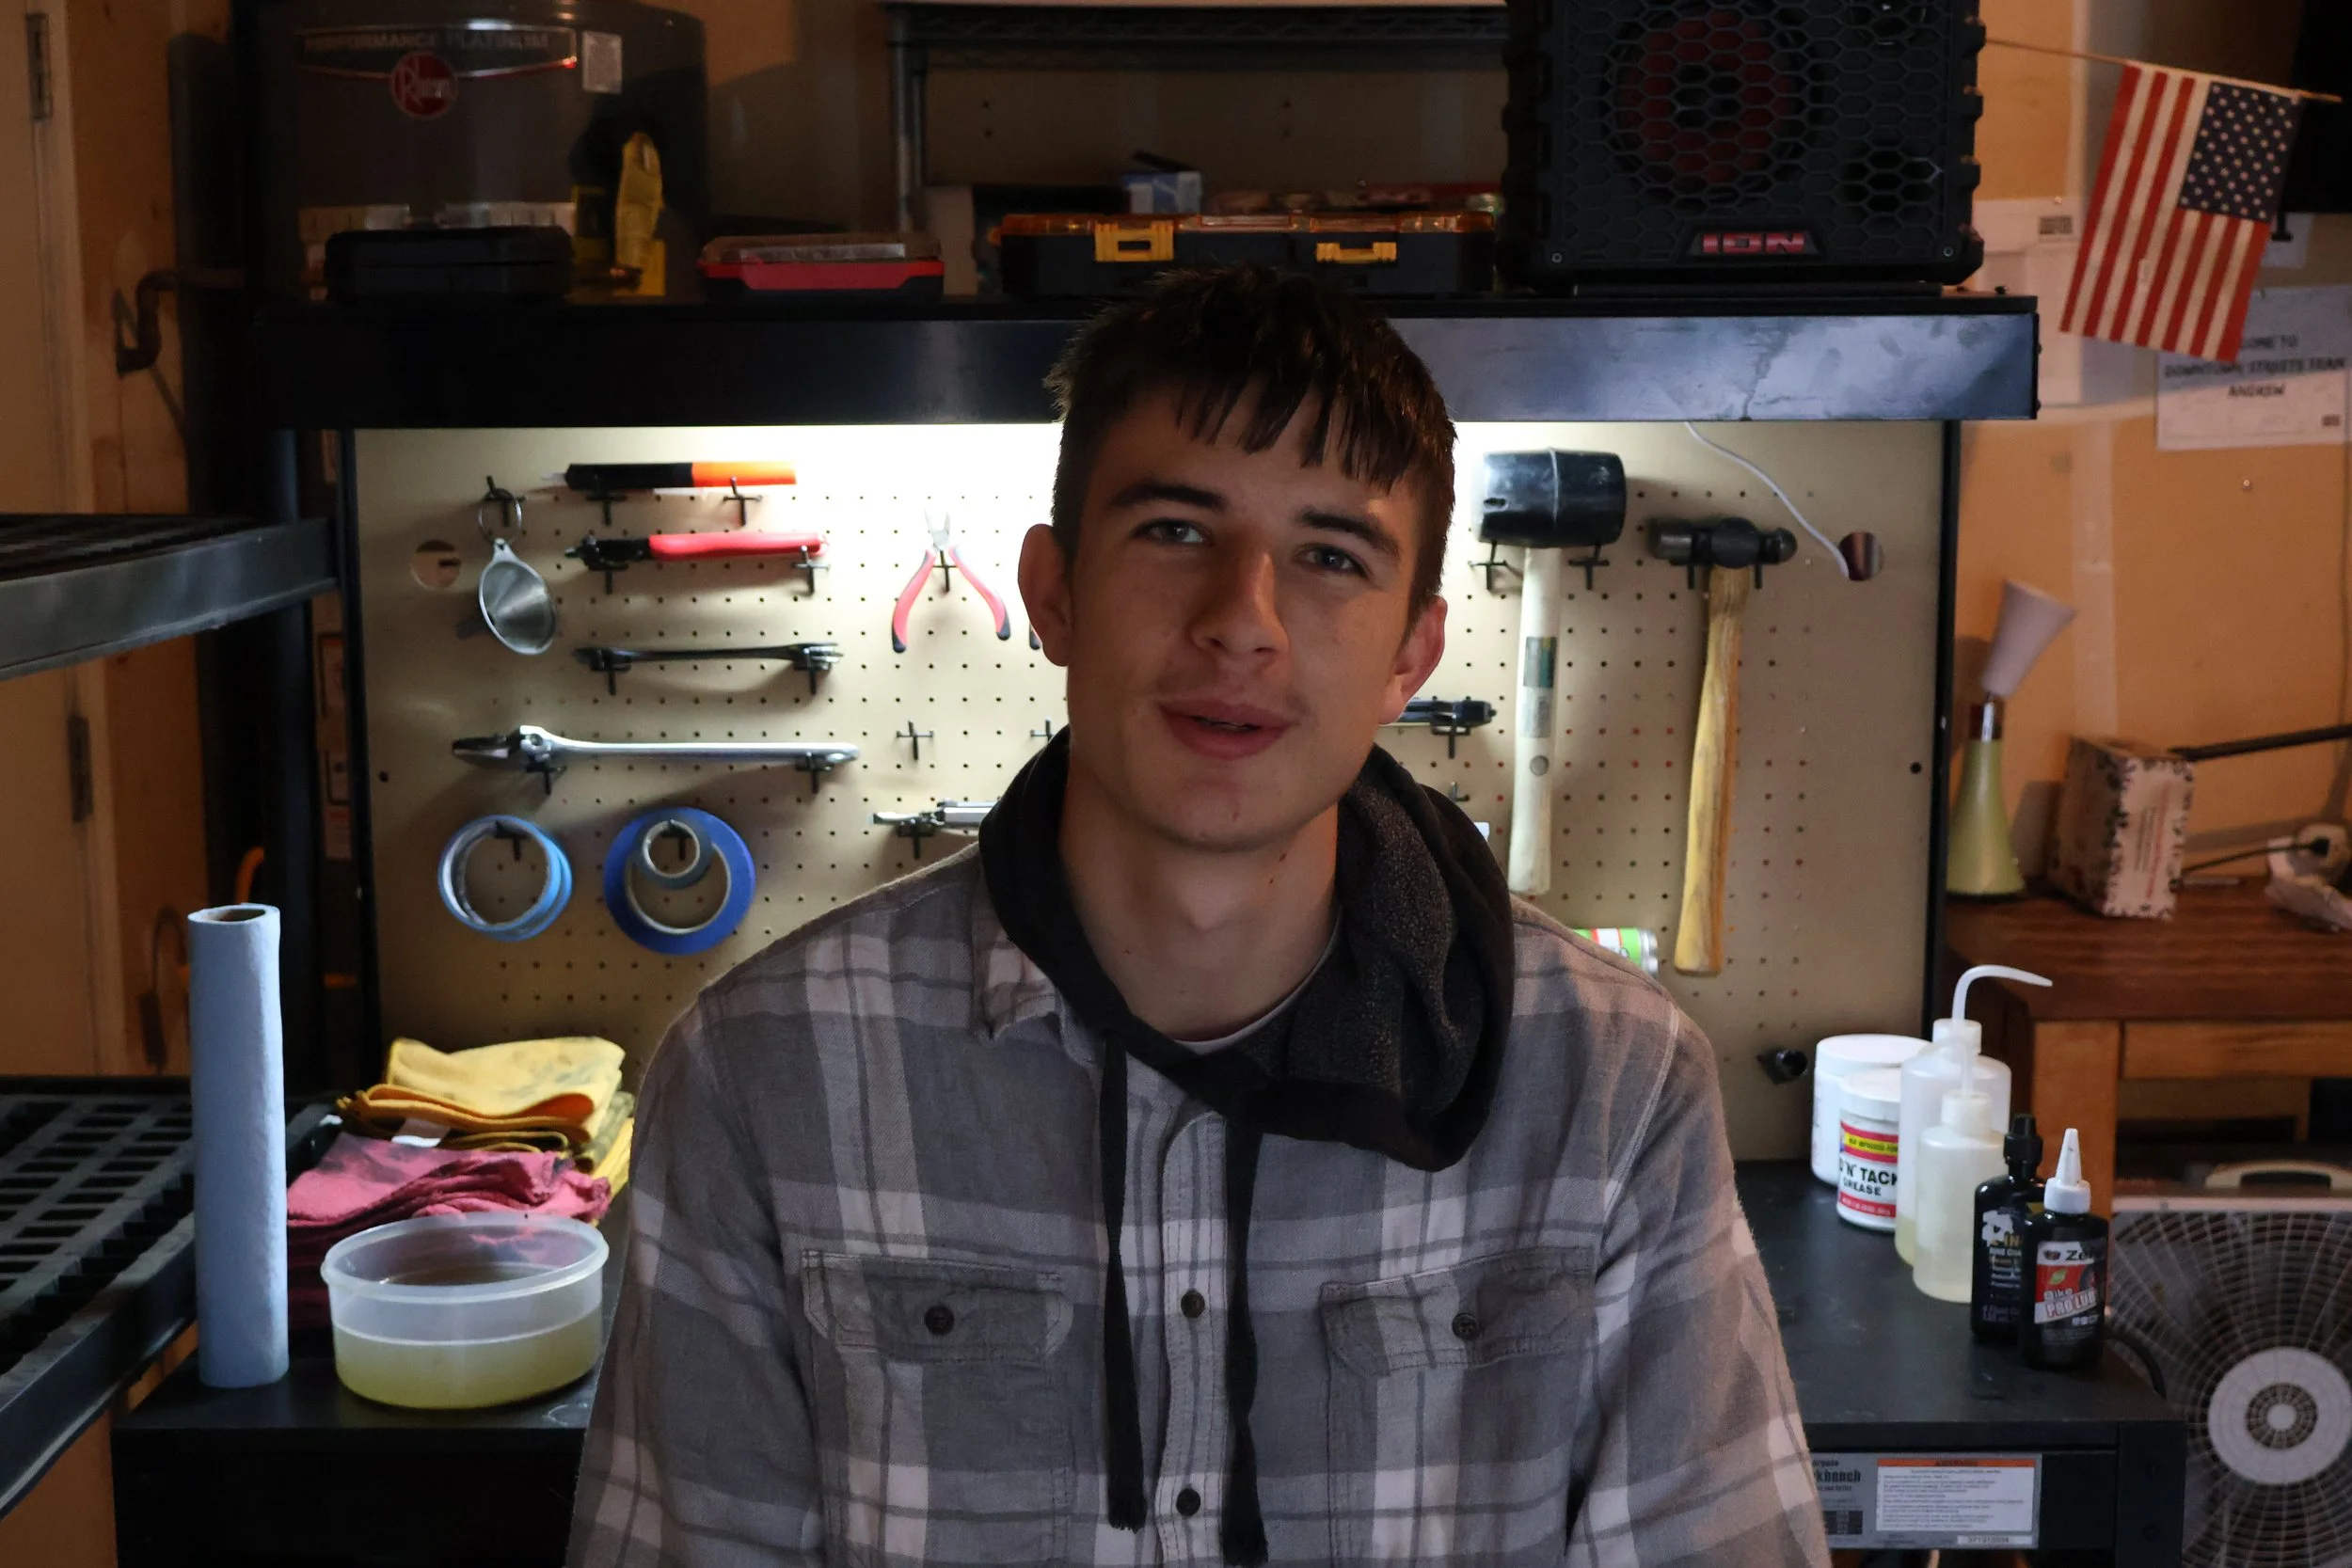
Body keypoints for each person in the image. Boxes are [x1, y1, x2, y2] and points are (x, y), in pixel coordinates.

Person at [569, 266, 1828, 1568]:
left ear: (1412, 655)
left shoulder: (1613, 1087)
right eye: (1176, 531)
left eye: (1332, 557)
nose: (1244, 622)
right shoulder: (759, 1078)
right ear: (1053, 594)